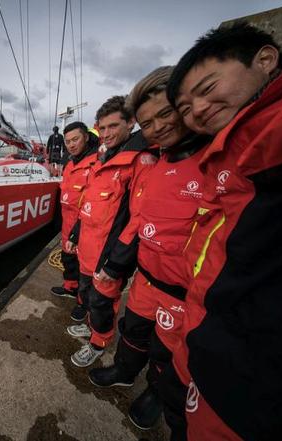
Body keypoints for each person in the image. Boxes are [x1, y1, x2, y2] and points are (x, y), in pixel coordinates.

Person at [162, 22, 282, 440]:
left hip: (260, 390)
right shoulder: (224, 150)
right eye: (185, 108)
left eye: (207, 88)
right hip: (205, 348)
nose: (198, 110)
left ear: (265, 59)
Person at [87, 66, 211, 433]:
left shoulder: (214, 160)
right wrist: (117, 265)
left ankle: (156, 394)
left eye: (165, 114)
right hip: (145, 280)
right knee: (132, 332)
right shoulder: (152, 163)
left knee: (165, 353)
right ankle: (124, 372)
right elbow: (134, 220)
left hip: (182, 294)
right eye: (148, 121)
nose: (157, 127)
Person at [66, 96, 156, 368]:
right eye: (101, 128)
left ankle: (99, 341)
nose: (105, 134)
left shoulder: (141, 161)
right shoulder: (103, 157)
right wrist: (74, 235)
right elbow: (89, 203)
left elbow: (138, 218)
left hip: (108, 255)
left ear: (131, 123)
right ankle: (93, 326)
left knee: (103, 302)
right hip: (87, 247)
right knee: (87, 295)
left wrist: (116, 263)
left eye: (112, 127)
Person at [51, 122, 98, 322]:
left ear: (86, 137)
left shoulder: (97, 162)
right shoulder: (70, 163)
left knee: (85, 269)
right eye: (68, 141)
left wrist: (77, 231)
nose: (71, 145)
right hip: (67, 221)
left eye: (75, 139)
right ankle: (70, 287)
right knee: (68, 260)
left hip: (85, 226)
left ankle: (83, 303)